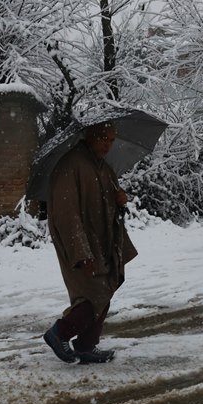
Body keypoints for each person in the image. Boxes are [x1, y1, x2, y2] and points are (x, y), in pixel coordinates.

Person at [43, 121, 138, 364]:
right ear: (90, 135)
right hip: (81, 243)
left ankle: (86, 345)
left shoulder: (103, 168)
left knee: (105, 289)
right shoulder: (70, 166)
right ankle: (60, 333)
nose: (108, 145)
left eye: (111, 139)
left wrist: (120, 200)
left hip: (103, 241)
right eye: (103, 138)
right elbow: (66, 214)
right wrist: (81, 252)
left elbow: (107, 205)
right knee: (93, 294)